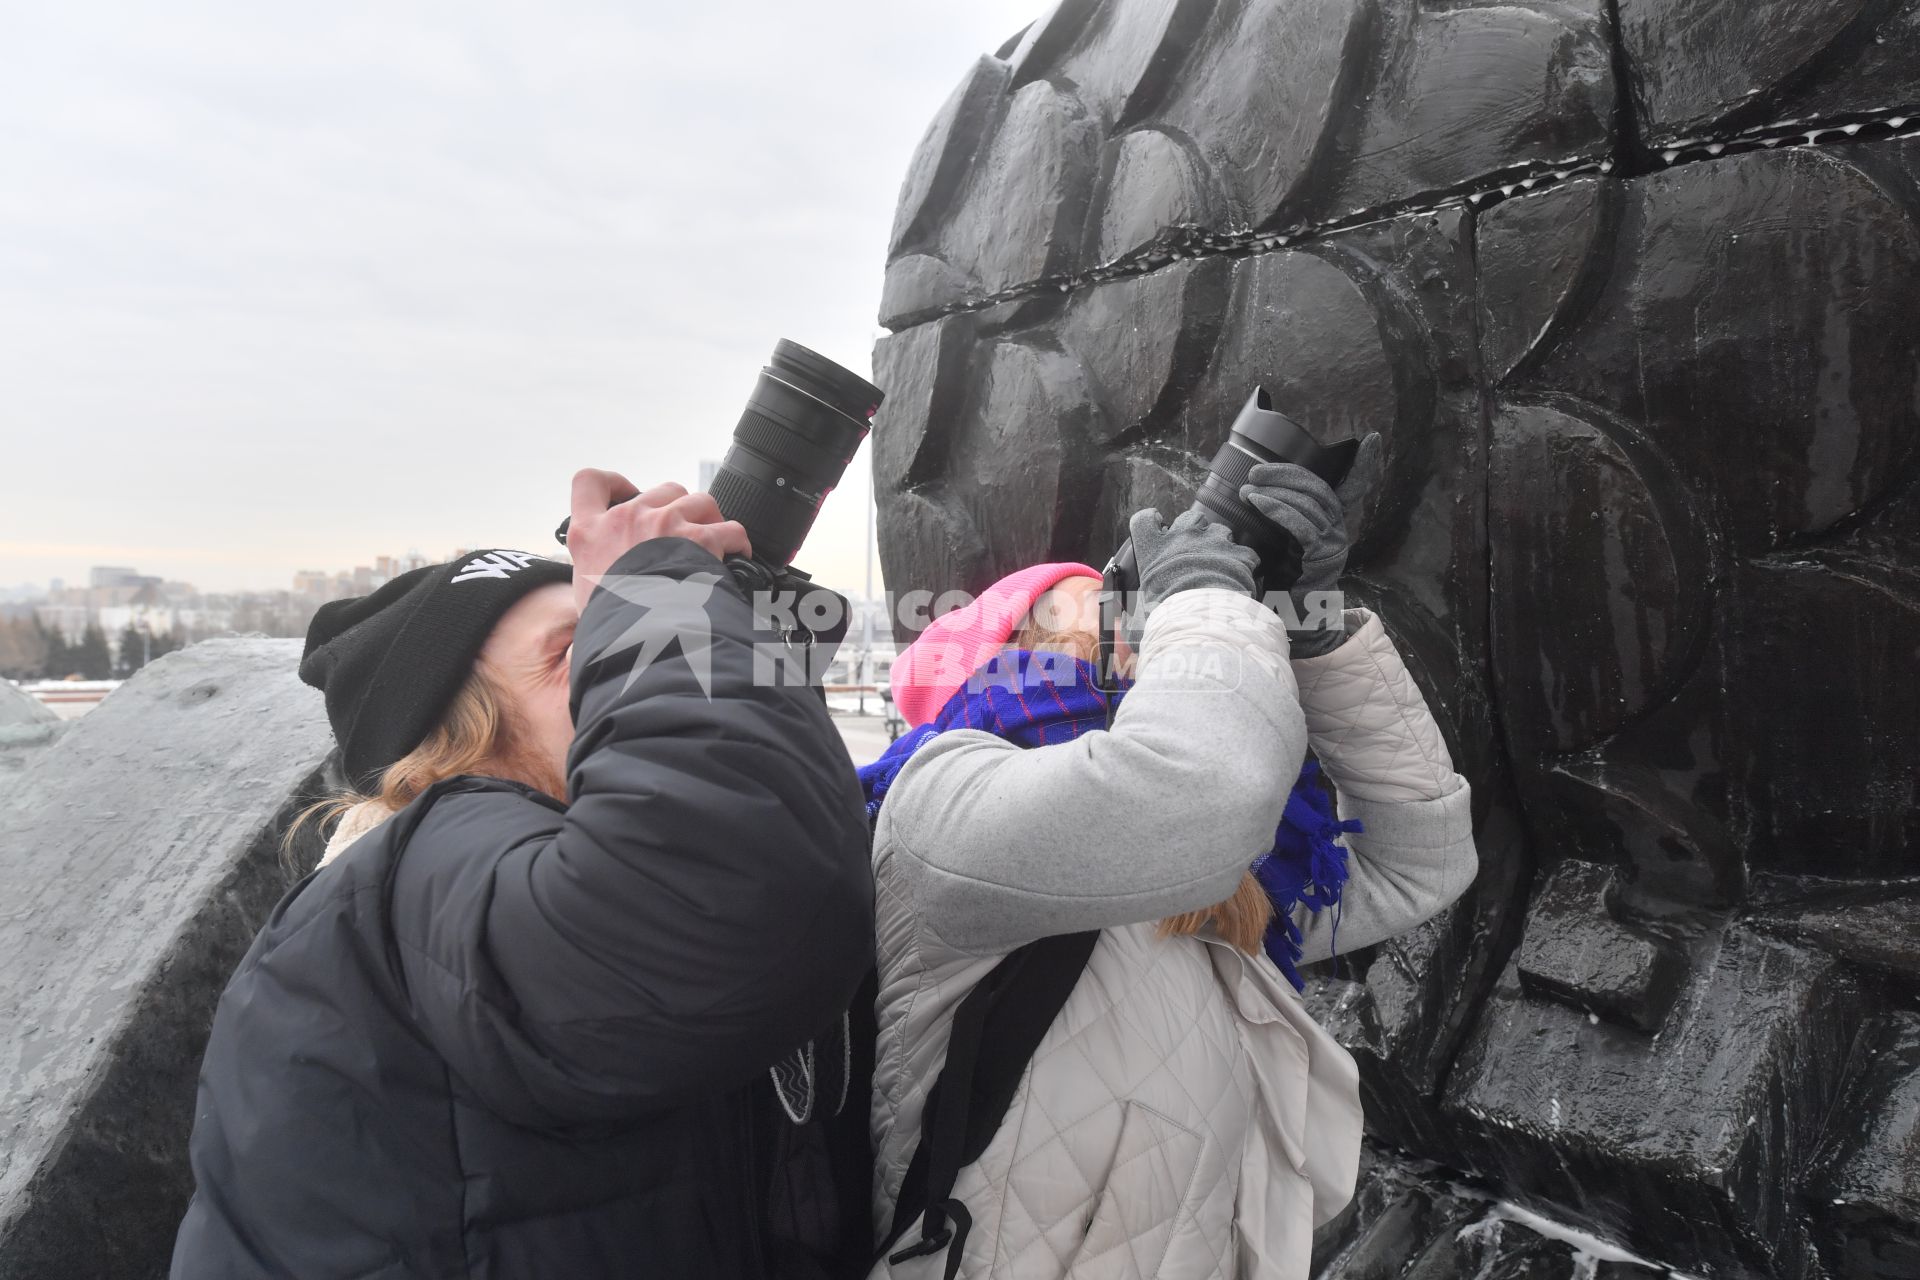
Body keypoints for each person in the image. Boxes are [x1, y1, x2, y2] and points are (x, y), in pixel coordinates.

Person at [171, 471, 875, 1279]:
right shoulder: (424, 874)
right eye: (580, 649)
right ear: (462, 746)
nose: (620, 660)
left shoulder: (488, 893)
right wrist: (657, 591)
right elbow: (729, 886)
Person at [859, 456, 1478, 1279]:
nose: (1144, 622)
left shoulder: (1212, 891)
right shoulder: (940, 814)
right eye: (1112, 605)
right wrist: (1207, 602)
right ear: (1018, 648)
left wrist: (1310, 637)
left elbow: (1421, 863)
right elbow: (1198, 789)